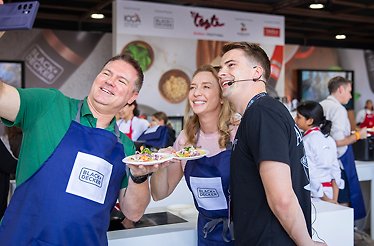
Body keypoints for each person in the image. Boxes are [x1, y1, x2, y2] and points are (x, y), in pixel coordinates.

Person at [0, 53, 157, 245]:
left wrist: (139, 177)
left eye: (121, 80)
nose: (110, 81)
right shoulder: (50, 105)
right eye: (106, 73)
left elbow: (133, 212)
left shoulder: (125, 146)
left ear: (132, 97)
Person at [217, 42, 323, 245]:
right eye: (220, 68)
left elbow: (281, 198)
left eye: (230, 65)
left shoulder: (262, 113)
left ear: (256, 72)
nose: (222, 73)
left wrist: (306, 243)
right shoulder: (258, 113)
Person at [150, 65, 237, 245]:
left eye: (206, 86)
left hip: (245, 232)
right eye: (193, 87)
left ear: (222, 96)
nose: (196, 92)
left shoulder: (239, 131)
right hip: (207, 233)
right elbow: (160, 193)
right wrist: (162, 164)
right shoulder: (186, 139)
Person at [320, 76, 367, 221]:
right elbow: (338, 141)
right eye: (349, 91)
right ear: (340, 89)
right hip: (339, 163)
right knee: (343, 204)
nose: (350, 95)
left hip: (323, 163)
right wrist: (359, 135)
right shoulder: (339, 109)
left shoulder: (321, 105)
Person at [295, 101, 344, 203]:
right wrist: (334, 199)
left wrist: (326, 199)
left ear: (310, 121)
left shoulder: (306, 141)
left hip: (314, 196)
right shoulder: (329, 139)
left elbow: (309, 174)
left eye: (298, 117)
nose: (295, 120)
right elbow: (336, 172)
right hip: (330, 193)